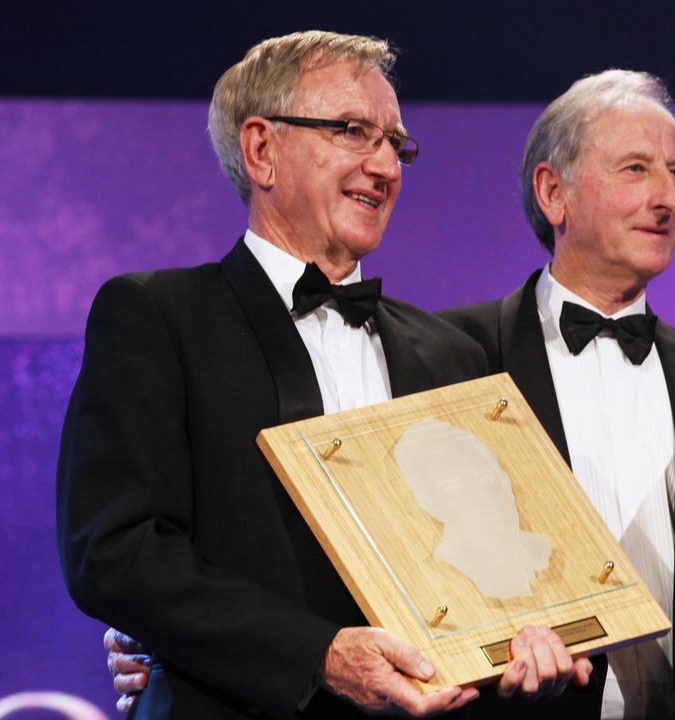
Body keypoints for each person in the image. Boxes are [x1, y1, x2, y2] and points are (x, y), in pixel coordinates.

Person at [105, 69, 675, 719]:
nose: (667, 198)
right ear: (553, 191)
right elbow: (364, 543)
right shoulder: (458, 359)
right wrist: (178, 641)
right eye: (636, 169)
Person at [59, 31, 588, 720]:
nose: (385, 167)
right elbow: (115, 551)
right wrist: (318, 653)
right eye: (351, 131)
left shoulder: (450, 353)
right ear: (261, 150)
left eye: (396, 144)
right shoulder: (160, 318)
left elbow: (502, 565)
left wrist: (536, 639)